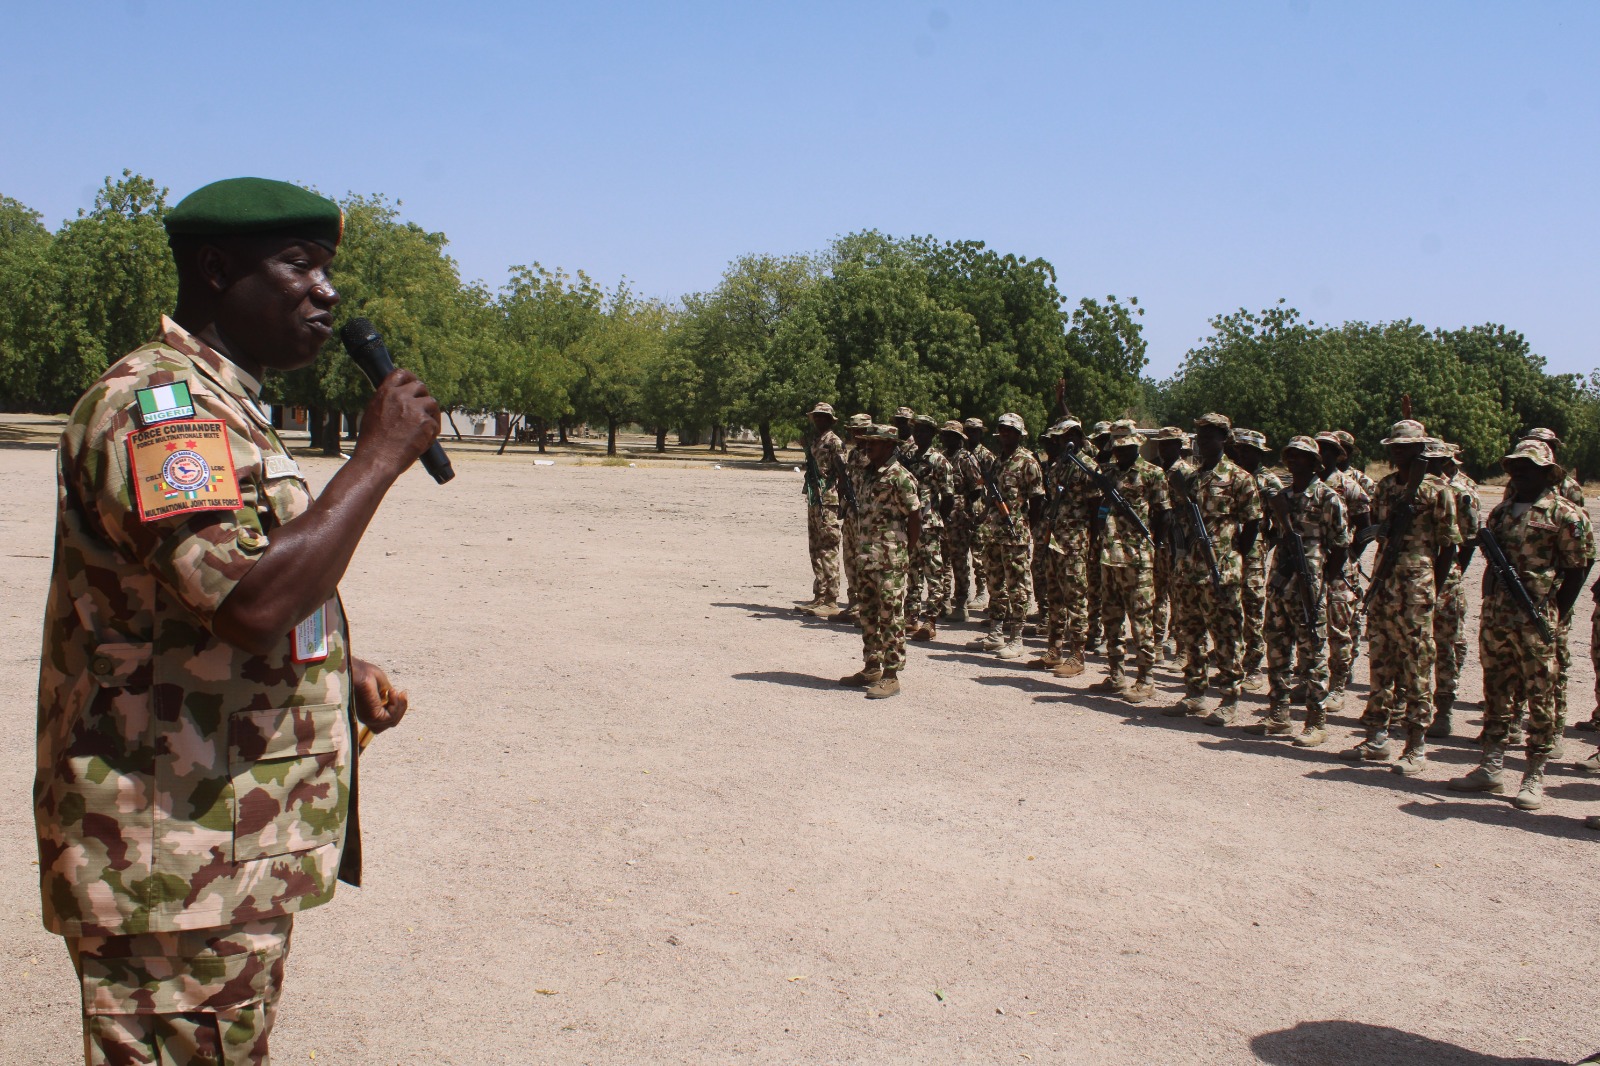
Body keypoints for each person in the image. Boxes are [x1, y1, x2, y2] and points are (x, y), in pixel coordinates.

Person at [34, 177, 440, 1064]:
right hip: (168, 860)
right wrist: (375, 458)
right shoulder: (158, 409)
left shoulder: (223, 404)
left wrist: (335, 660)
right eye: (300, 264)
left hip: (214, 853)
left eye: (329, 269)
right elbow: (249, 603)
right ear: (217, 270)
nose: (327, 291)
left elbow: (188, 601)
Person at [1447, 439, 1592, 807]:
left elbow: (1577, 570)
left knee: (1540, 695)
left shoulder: (1566, 515)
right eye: (1515, 466)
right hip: (1498, 617)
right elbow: (1493, 568)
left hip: (1537, 619)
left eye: (1527, 466)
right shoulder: (1501, 513)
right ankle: (1491, 766)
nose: (1519, 473)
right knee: (1495, 690)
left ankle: (1534, 774)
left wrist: (1552, 612)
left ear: (1546, 472)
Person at [1341, 420, 1458, 773]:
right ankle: (1377, 735)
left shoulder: (1438, 490)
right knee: (1381, 660)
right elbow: (1375, 529)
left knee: (1416, 663)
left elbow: (1449, 546)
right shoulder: (1388, 486)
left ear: (1420, 449)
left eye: (1404, 447)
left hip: (1417, 585)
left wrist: (1432, 590)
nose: (1397, 452)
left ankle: (1415, 744)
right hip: (1385, 580)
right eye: (1394, 447)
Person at [1248, 436, 1349, 746]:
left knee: (1313, 652)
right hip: (1280, 580)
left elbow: (1342, 547)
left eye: (1301, 456)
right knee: (1277, 647)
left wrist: (1321, 584)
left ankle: (1315, 721)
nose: (1293, 461)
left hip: (1310, 585)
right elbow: (1266, 530)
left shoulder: (1328, 497)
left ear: (1314, 462)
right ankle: (1279, 714)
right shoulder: (1281, 497)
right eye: (1290, 456)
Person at [1162, 413, 1262, 725]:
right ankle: (1194, 693)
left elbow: (1253, 522)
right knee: (1191, 634)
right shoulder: (1191, 477)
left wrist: (1232, 553)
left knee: (1226, 636)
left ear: (1223, 439)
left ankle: (1230, 697)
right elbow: (1178, 518)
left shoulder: (1239, 478)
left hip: (1221, 571)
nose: (1202, 443)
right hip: (1190, 570)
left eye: (1208, 437)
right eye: (1199, 437)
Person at [840, 424, 922, 699]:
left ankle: (891, 675)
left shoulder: (901, 476)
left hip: (890, 559)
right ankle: (871, 666)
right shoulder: (865, 474)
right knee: (868, 614)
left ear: (889, 445)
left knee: (890, 615)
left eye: (873, 443)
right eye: (866, 442)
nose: (867, 447)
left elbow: (914, 517)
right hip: (866, 556)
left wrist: (904, 552)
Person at [1093, 421, 1169, 702]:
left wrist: (1155, 548)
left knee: (1140, 620)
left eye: (1127, 447)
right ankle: (1116, 674)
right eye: (1118, 447)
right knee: (1111, 618)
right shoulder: (1108, 473)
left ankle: (1145, 678)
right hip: (1109, 557)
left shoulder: (1152, 474)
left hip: (1137, 558)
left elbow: (1163, 514)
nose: (1122, 452)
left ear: (1137, 445)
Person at [967, 412, 1044, 660]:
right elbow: (990, 494)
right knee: (995, 584)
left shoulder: (1028, 462)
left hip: (1015, 534)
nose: (1005, 435)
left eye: (1010, 431)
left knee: (1017, 587)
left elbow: (1037, 500)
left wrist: (1030, 530)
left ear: (1020, 434)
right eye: (1002, 430)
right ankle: (996, 634)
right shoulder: (996, 462)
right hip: (994, 532)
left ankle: (1016, 637)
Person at [1427, 442, 1481, 738]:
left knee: (1446, 644)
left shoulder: (1462, 492)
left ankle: (1444, 709)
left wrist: (1452, 574)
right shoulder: (1422, 489)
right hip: (1416, 578)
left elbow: (1469, 541)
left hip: (1447, 578)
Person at [1316, 432, 1371, 709]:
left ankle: (1337, 686)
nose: (1319, 454)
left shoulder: (1349, 486)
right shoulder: (1308, 485)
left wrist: (1349, 556)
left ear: (1337, 455)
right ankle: (1311, 680)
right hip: (1312, 565)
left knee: (1338, 628)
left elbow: (1366, 529)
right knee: (1309, 624)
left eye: (1325, 450)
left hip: (1340, 568)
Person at [1227, 429, 1280, 692]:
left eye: (1248, 450)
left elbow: (1282, 522)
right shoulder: (1233, 476)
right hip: (1229, 550)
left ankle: (1254, 666)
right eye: (1240, 449)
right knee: (1231, 606)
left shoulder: (1269, 481)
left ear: (1259, 453)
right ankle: (1234, 664)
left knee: (1253, 608)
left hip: (1254, 554)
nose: (1242, 454)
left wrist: (1265, 541)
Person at [821, 413, 872, 622]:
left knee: (865, 560)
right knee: (849, 557)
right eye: (853, 431)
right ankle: (853, 603)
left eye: (859, 431)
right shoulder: (853, 455)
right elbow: (847, 480)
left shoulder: (876, 454)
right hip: (851, 513)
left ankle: (867, 607)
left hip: (868, 516)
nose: (855, 434)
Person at [906, 414, 953, 640]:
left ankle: (931, 619)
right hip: (910, 523)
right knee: (912, 571)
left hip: (930, 524)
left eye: (925, 431)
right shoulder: (908, 457)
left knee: (934, 572)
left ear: (933, 434)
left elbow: (949, 497)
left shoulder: (939, 461)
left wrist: (936, 518)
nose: (919, 434)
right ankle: (911, 616)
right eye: (917, 430)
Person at [800, 402, 847, 614]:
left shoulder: (835, 442)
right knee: (815, 548)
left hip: (829, 500)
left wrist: (844, 504)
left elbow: (843, 474)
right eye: (816, 417)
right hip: (814, 499)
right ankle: (819, 594)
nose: (818, 420)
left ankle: (832, 599)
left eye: (822, 417)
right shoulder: (815, 441)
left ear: (830, 420)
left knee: (828, 548)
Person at [939, 421, 982, 622]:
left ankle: (961, 602)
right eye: (945, 435)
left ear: (959, 439)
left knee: (959, 560)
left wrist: (962, 506)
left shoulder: (966, 459)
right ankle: (943, 601)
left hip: (959, 518)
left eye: (951, 435)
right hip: (941, 514)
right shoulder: (940, 457)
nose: (947, 439)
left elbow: (976, 489)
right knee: (941, 560)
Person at [1150, 427, 1186, 661]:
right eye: (1161, 444)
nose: (1164, 448)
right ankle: (1156, 643)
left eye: (1169, 444)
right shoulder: (1155, 470)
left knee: (1180, 595)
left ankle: (1181, 647)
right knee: (1158, 593)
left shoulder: (1186, 473)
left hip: (1178, 541)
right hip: (1157, 538)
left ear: (1179, 446)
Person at [963, 417, 995, 612]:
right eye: (968, 431)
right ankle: (964, 591)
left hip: (980, 506)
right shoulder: (964, 453)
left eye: (975, 431)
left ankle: (982, 591)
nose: (971, 434)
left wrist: (986, 510)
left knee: (979, 552)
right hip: (964, 507)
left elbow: (992, 485)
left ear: (981, 433)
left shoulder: (986, 455)